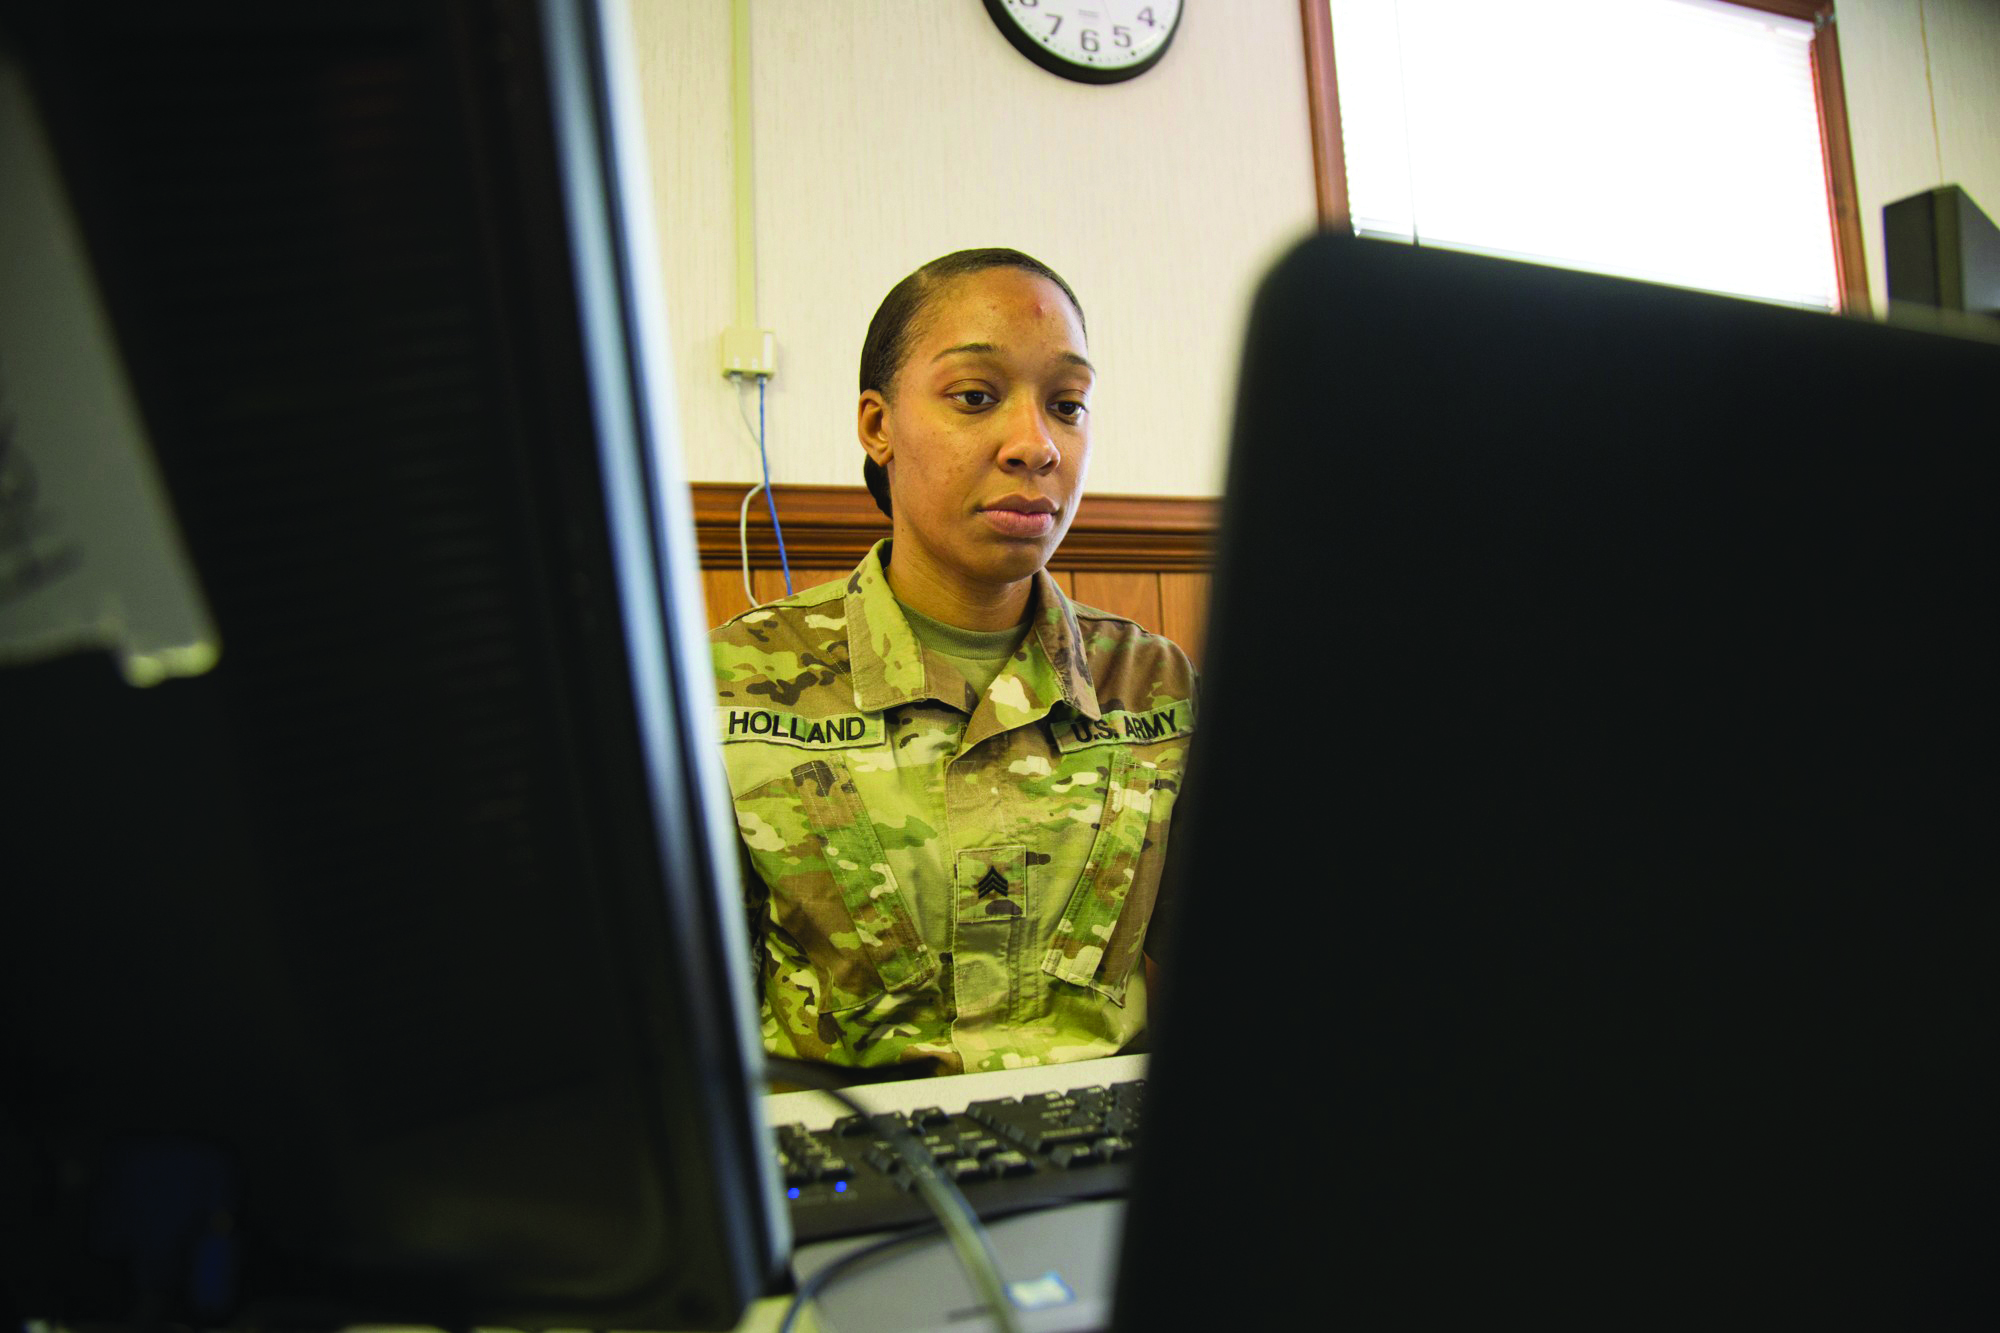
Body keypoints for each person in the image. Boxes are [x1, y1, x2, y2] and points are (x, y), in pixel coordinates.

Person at [710, 248, 1196, 1076]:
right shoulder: (738, 679)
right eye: (975, 397)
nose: (1035, 445)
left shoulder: (1152, 684)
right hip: (854, 1170)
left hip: (1100, 1161)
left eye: (1068, 405)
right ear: (878, 425)